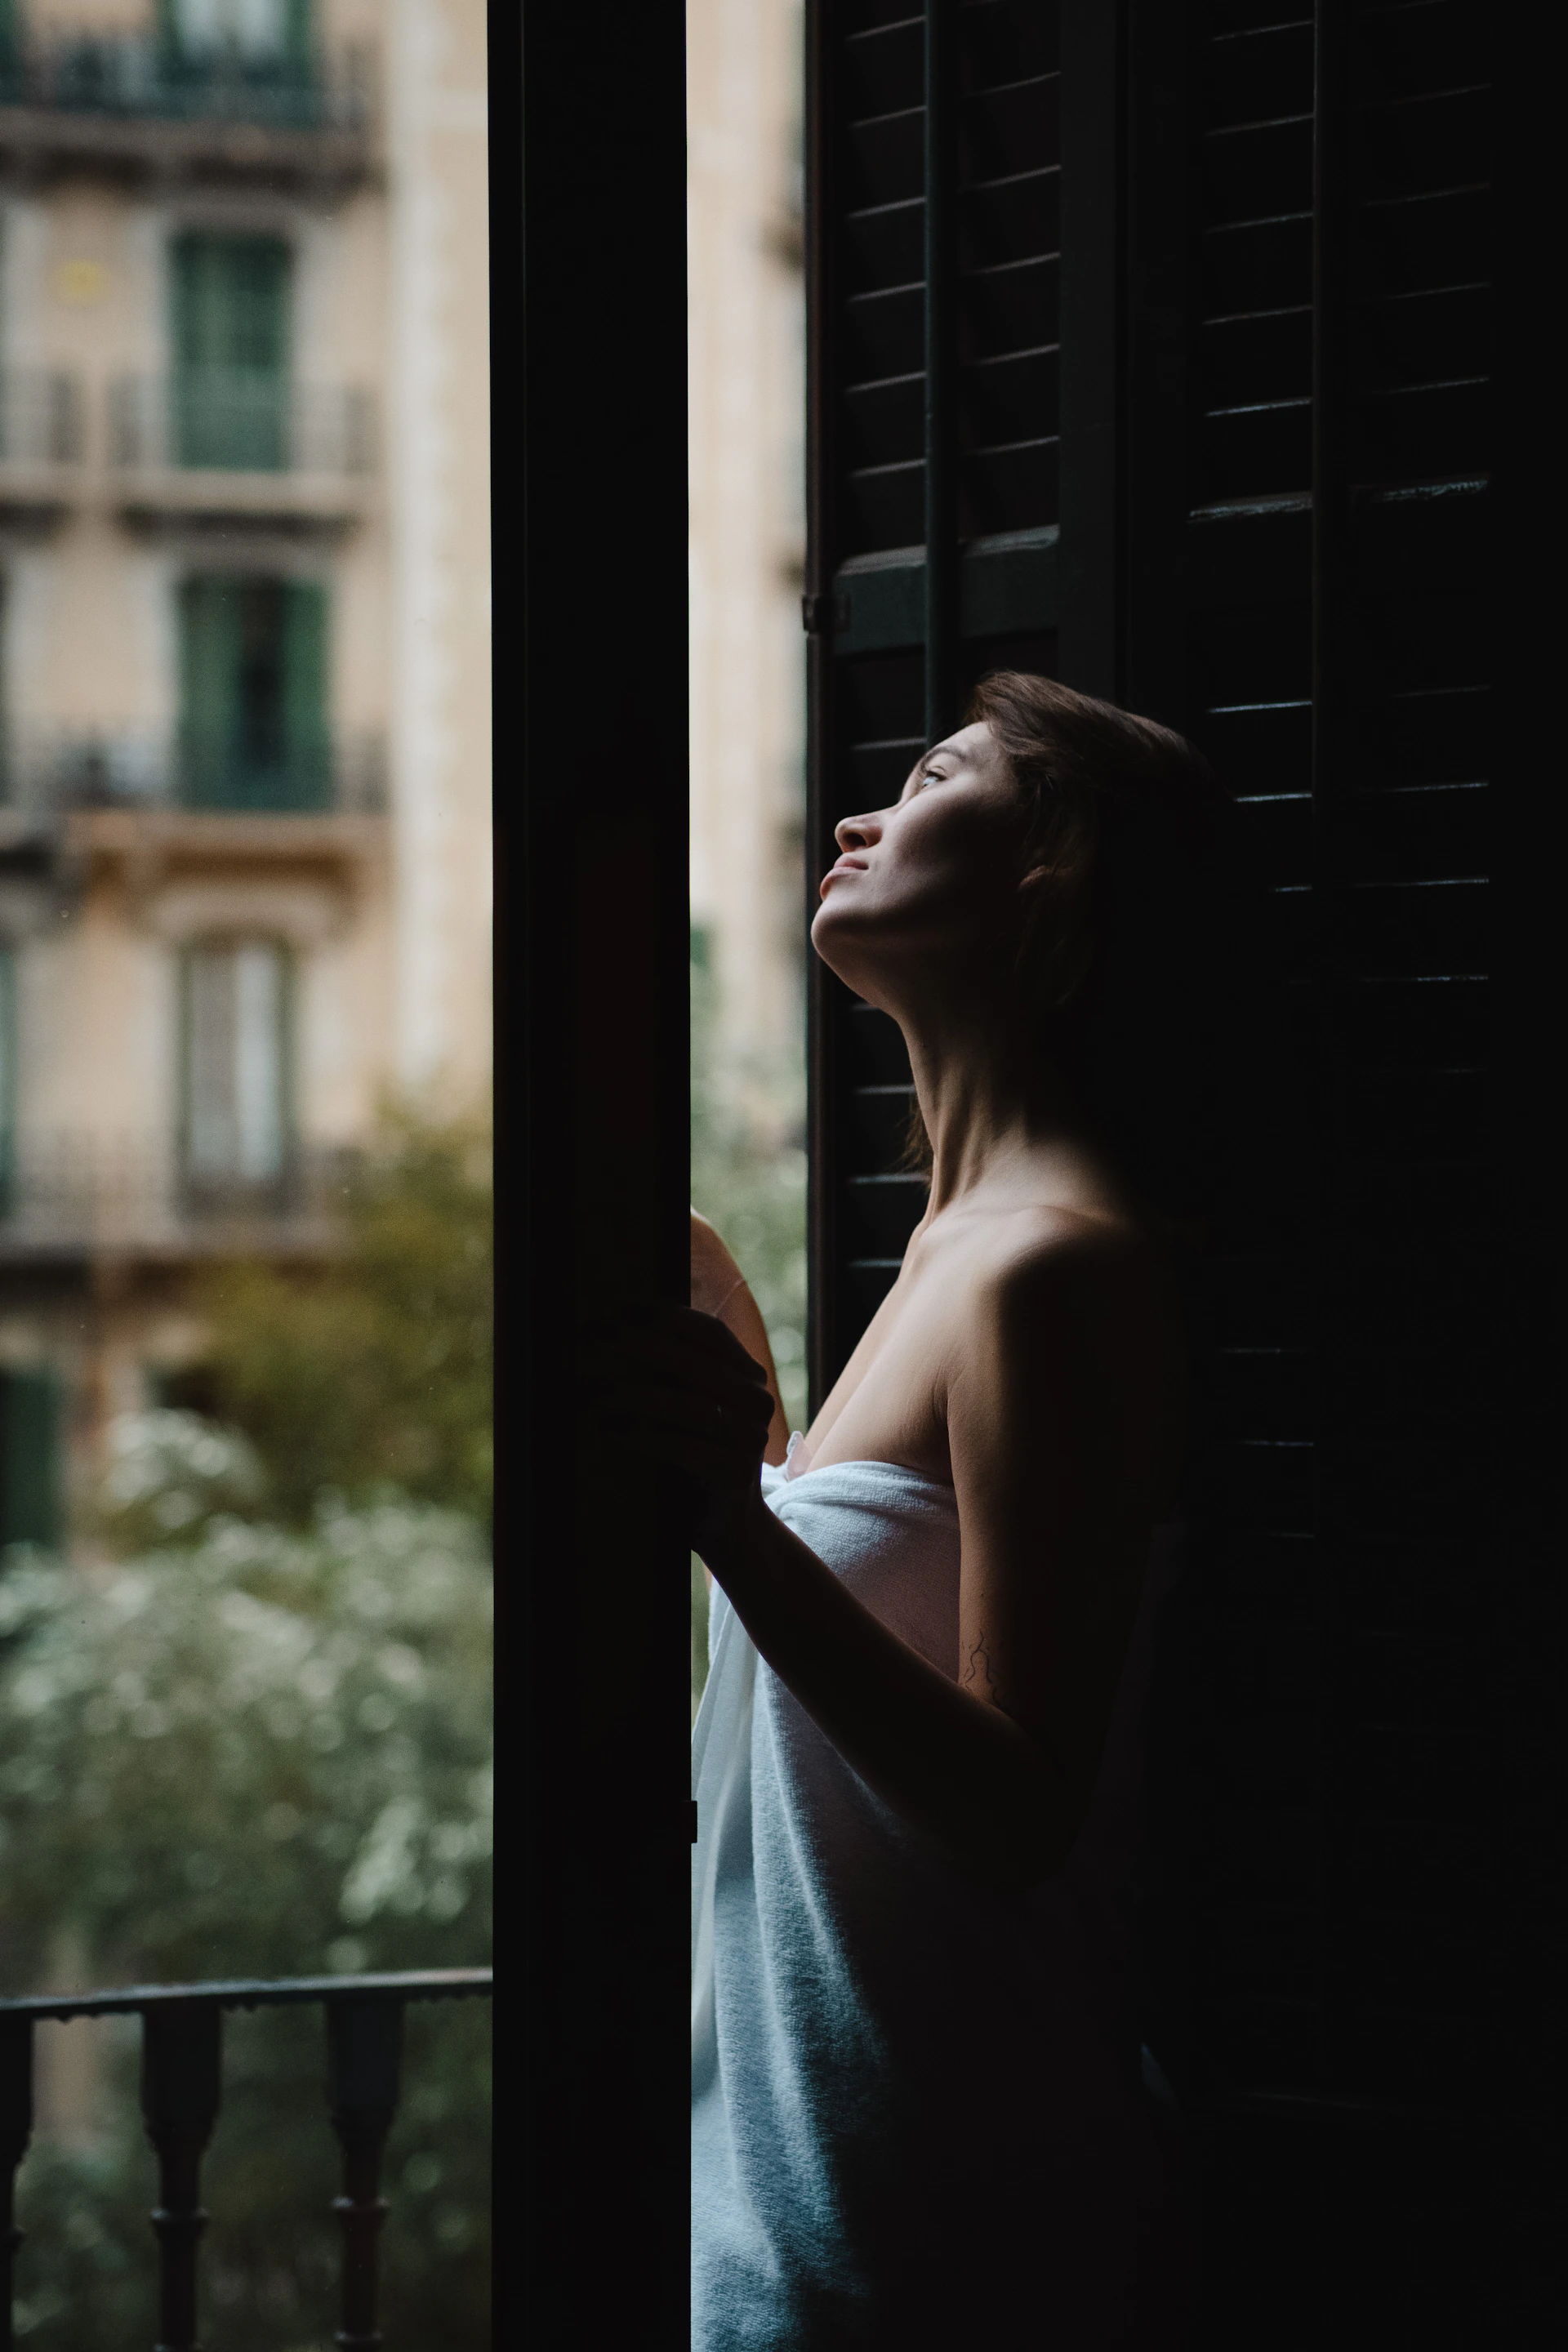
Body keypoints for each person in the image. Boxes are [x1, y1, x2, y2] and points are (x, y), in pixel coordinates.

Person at [589, 674, 1237, 2347]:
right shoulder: (942, 1265)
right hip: (776, 2223)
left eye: (941, 773)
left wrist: (733, 1520)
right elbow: (844, 1700)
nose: (861, 817)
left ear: (1056, 876)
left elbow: (1018, 1803)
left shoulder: (1061, 1273)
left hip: (940, 2245)